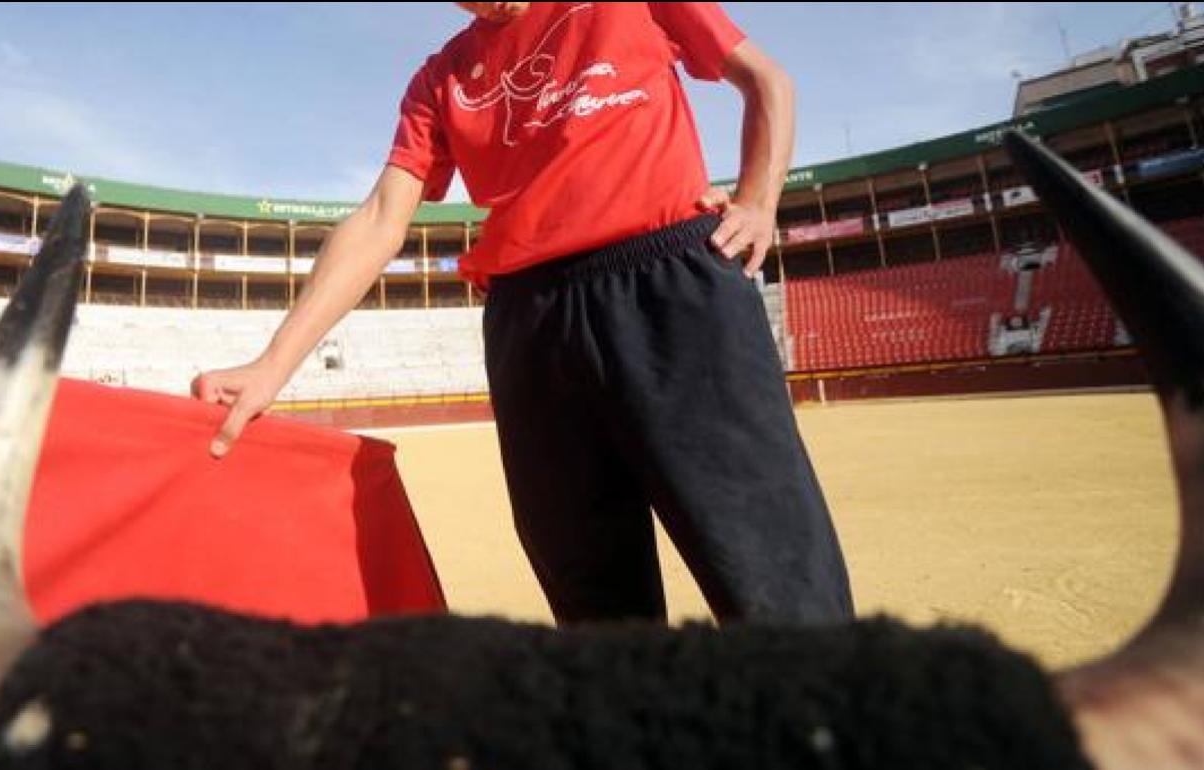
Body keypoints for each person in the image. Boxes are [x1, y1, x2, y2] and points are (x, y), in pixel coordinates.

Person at [192, 1, 853, 627]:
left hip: (670, 289)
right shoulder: (440, 76)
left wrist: (757, 201)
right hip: (529, 325)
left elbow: (766, 81)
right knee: (592, 599)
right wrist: (272, 365)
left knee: (774, 574)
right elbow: (379, 218)